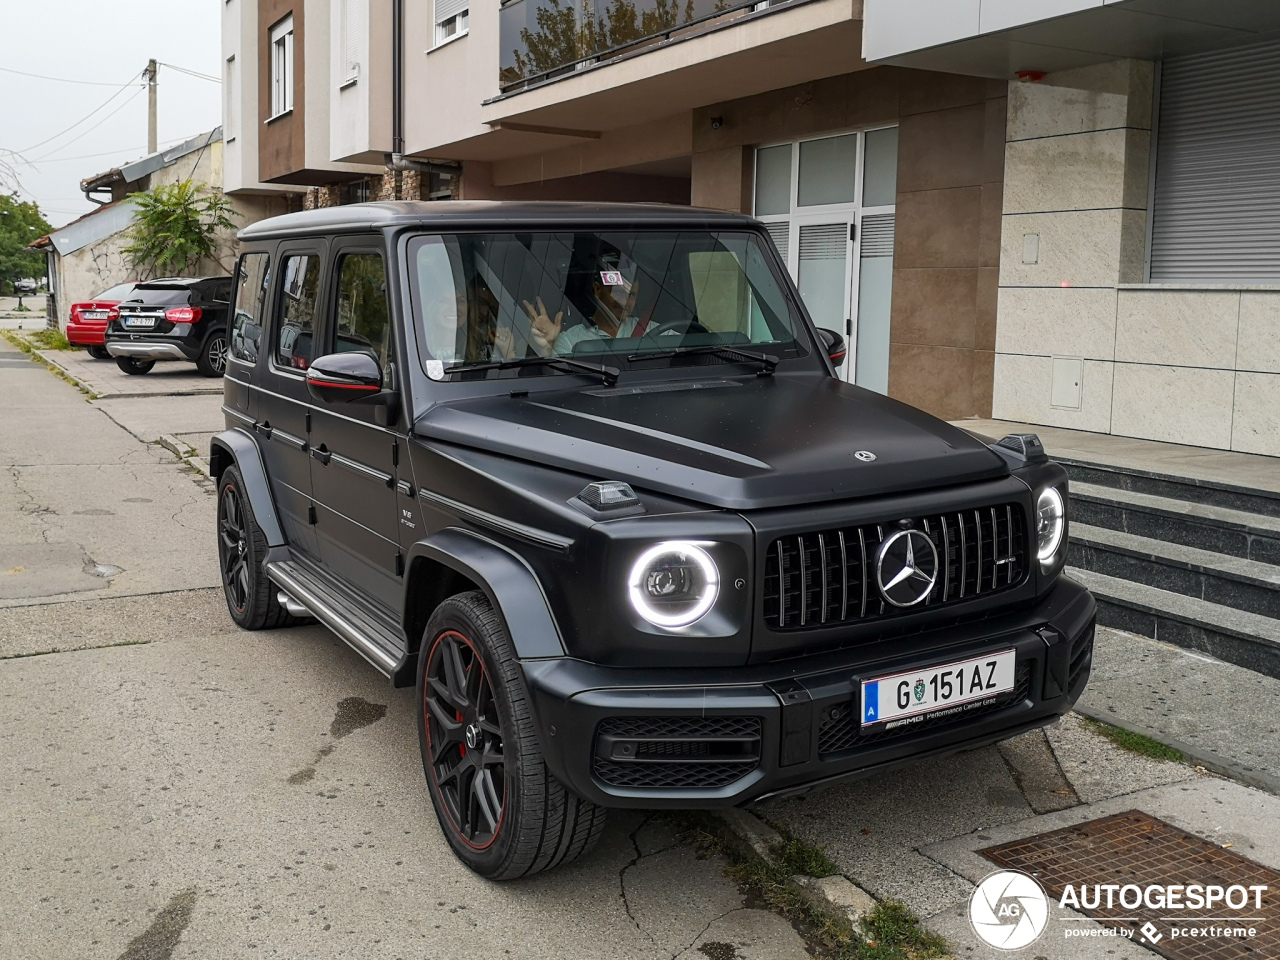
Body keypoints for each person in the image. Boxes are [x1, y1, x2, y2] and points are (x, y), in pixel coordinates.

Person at [522, 272, 645, 356]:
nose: (624, 302)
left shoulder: (648, 329)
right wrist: (547, 347)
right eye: (618, 292)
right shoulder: (570, 339)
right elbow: (560, 379)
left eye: (631, 295)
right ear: (597, 290)